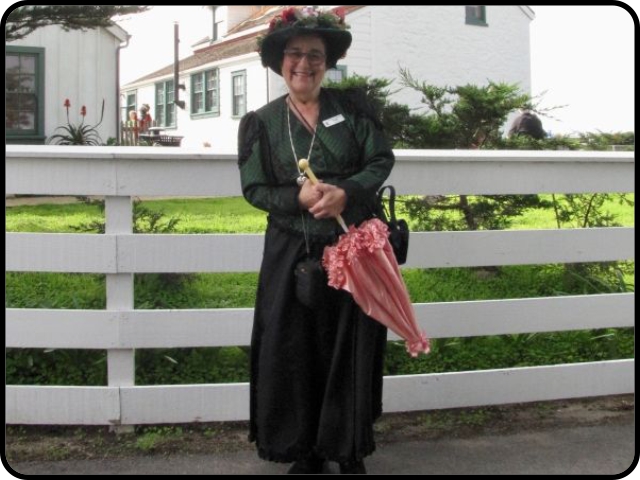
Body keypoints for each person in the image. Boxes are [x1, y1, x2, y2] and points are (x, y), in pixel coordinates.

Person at [237, 6, 395, 475]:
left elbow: (380, 160)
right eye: (294, 54)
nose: (303, 64)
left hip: (353, 248)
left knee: (351, 346)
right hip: (291, 254)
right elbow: (254, 189)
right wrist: (298, 197)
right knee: (294, 350)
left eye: (314, 55)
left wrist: (346, 192)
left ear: (328, 62)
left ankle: (348, 448)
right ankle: (305, 450)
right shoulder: (261, 123)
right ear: (278, 60)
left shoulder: (353, 111)